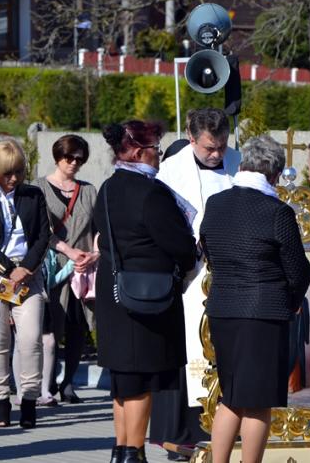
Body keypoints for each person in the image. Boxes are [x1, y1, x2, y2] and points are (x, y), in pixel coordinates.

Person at [200, 135, 310, 463]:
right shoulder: (277, 212)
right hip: (263, 313)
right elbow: (299, 271)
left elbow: (208, 249)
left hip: (223, 309)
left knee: (232, 397)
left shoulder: (216, 203)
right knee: (258, 403)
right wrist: (290, 301)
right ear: (275, 174)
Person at [94, 121, 197, 463]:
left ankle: (121, 448)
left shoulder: (107, 187)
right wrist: (189, 255)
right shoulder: (151, 192)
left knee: (124, 378)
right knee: (140, 376)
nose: (159, 156)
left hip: (114, 289)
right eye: (156, 150)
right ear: (139, 152)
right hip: (147, 294)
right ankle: (134, 453)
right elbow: (178, 242)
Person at [152, 109, 241, 459]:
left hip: (232, 272)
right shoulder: (171, 172)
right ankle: (188, 433)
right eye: (209, 148)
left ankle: (228, 429)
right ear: (191, 138)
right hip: (192, 274)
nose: (217, 154)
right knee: (193, 349)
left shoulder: (239, 162)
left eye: (221, 146)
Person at [0, 140, 50, 428]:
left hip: (29, 275)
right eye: (7, 173)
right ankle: (1, 402)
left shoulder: (34, 195)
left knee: (30, 340)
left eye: (18, 172)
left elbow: (44, 235)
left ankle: (28, 401)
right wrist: (8, 269)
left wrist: (25, 268)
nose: (13, 178)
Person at [33, 134, 98, 404]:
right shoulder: (38, 188)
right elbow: (37, 229)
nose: (73, 163)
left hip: (83, 269)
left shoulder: (89, 190)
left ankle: (68, 382)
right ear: (57, 156)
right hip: (52, 268)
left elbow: (99, 228)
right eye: (68, 157)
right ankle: (45, 383)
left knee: (78, 326)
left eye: (79, 159)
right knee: (50, 328)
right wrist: (68, 251)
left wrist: (95, 253)